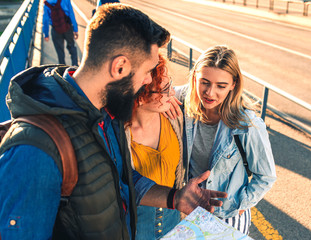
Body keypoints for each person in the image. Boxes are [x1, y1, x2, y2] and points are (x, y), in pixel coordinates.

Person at [0, 4, 226, 240]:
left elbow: (117, 179)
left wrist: (173, 198)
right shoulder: (35, 149)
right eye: (148, 70)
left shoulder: (106, 114)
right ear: (119, 67)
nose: (149, 79)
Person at [170, 45, 277, 235]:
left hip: (228, 215)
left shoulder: (247, 125)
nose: (210, 93)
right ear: (195, 76)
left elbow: (266, 176)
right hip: (192, 207)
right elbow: (155, 91)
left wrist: (239, 205)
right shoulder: (182, 100)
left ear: (233, 84)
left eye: (221, 86)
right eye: (204, 82)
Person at [125, 54, 183, 239]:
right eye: (165, 89)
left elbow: (205, 88)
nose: (172, 92)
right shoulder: (118, 133)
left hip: (172, 215)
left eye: (170, 85)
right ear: (140, 97)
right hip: (135, 225)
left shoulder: (173, 116)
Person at [43, 0, 79, 66]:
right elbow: (71, 14)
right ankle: (75, 65)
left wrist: (46, 34)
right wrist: (75, 29)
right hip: (67, 27)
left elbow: (45, 20)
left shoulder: (47, 3)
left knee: (60, 51)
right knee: (72, 46)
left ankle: (63, 68)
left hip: (55, 30)